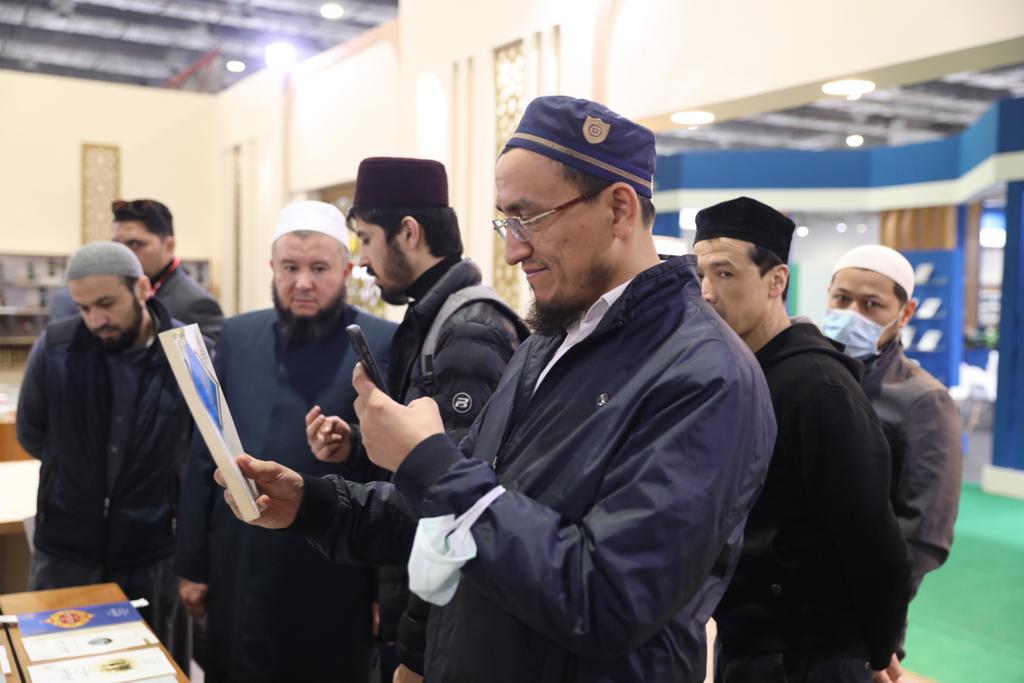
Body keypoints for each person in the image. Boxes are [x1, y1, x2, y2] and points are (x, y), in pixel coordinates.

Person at [219, 96, 776, 683]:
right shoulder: (549, 342)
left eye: (529, 218)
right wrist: (316, 504)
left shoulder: (706, 376)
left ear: (618, 210)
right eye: (505, 221)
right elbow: (460, 512)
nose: (512, 249)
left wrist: (426, 460)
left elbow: (608, 597)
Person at [308, 156, 528, 683]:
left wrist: (417, 654)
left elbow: (455, 510)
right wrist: (358, 444)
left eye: (366, 239)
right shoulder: (435, 318)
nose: (362, 259)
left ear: (408, 232)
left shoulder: (469, 330)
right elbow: (425, 461)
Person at [692, 196, 912, 683]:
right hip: (746, 642)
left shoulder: (818, 388)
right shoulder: (740, 375)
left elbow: (876, 542)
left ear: (777, 281)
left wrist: (876, 649)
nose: (707, 293)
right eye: (700, 274)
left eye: (725, 274)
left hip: (805, 656)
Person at [174, 201, 396, 682]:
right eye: (290, 268)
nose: (303, 283)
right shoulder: (237, 335)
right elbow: (204, 452)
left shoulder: (382, 342)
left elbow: (394, 473)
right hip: (238, 556)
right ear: (272, 268)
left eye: (319, 269)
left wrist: (386, 593)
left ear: (347, 270)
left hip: (332, 567)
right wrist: (193, 564)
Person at [16, 241, 193, 668]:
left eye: (107, 304)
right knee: (59, 667)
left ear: (143, 288)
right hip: (65, 551)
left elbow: (199, 452)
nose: (96, 320)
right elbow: (31, 432)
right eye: (84, 308)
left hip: (150, 551)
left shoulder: (185, 352)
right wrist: (75, 471)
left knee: (149, 668)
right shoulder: (56, 347)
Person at [826, 245, 963, 651]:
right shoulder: (808, 374)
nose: (852, 314)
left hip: (854, 623)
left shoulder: (924, 401)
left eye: (871, 305)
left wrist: (874, 613)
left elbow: (924, 534)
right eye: (842, 299)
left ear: (906, 313)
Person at [111, 198, 224, 342]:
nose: (122, 254)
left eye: (135, 244)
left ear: (169, 246)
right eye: (116, 246)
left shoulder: (196, 304)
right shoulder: (113, 295)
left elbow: (199, 358)